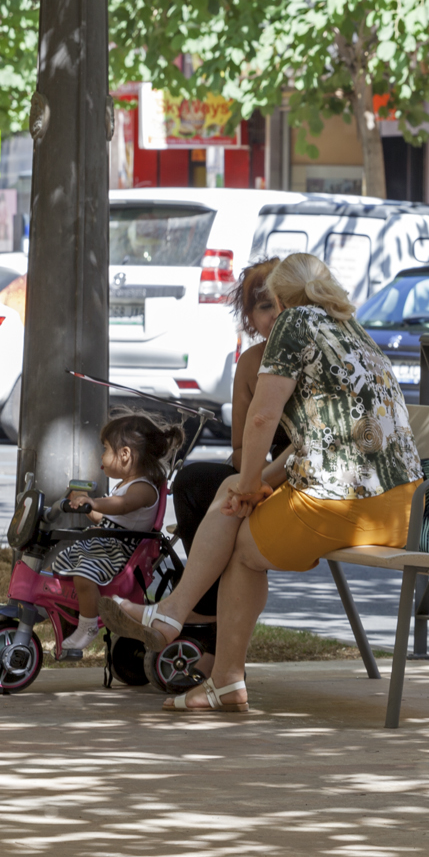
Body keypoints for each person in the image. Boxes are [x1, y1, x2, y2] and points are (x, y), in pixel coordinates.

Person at [103, 252, 424, 712]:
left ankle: (206, 655)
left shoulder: (295, 324)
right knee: (231, 499)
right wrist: (251, 485)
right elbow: (313, 441)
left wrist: (249, 483)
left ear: (282, 295)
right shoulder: (352, 331)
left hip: (341, 505)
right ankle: (186, 633)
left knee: (239, 547)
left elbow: (261, 420)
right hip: (402, 508)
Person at [168, 258, 288, 674]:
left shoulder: (309, 353)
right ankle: (202, 614)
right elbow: (240, 446)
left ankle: (193, 618)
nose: (276, 314)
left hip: (313, 479)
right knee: (193, 480)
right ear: (250, 317)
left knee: (228, 508)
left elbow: (314, 447)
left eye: (283, 302)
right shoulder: (251, 363)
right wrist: (248, 478)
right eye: (264, 306)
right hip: (270, 478)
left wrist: (252, 483)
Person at [51, 413, 183, 653]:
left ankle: (88, 626)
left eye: (105, 449)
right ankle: (72, 615)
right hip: (106, 543)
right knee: (63, 566)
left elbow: (122, 506)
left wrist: (95, 502)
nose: (101, 455)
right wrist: (88, 508)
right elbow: (109, 517)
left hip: (119, 551)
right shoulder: (124, 485)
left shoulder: (142, 488)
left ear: (124, 455)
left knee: (83, 574)